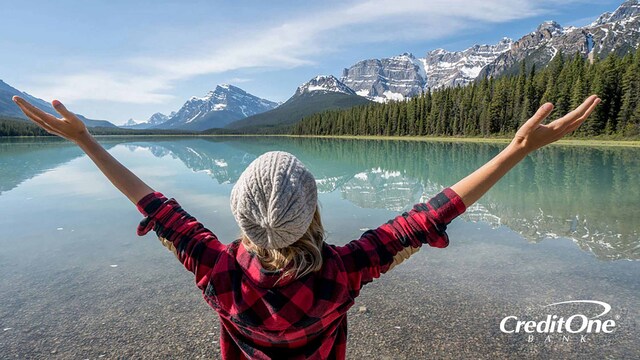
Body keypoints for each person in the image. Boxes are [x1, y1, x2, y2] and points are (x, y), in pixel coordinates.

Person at [12, 94, 600, 359]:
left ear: (241, 215)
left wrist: (86, 141)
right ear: (314, 214)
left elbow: (151, 202)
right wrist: (515, 151)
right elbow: (429, 217)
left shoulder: (215, 270)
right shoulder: (343, 274)